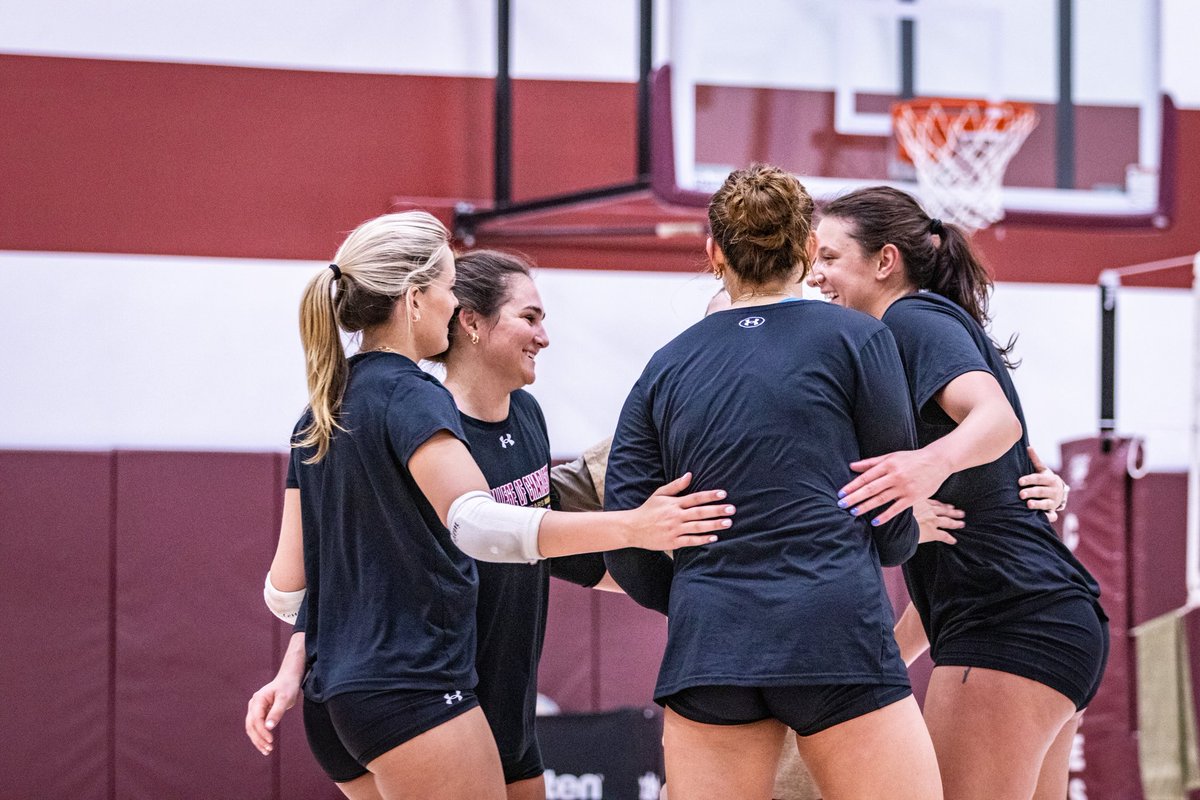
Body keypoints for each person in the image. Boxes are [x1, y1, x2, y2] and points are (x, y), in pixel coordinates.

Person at [242, 211, 736, 800]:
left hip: (354, 695)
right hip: (420, 688)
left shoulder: (327, 405)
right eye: (448, 289)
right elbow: (478, 525)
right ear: (416, 299)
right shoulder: (415, 400)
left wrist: (318, 647)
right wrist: (633, 525)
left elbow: (288, 589)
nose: (451, 307)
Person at [603, 164, 944, 800]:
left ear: (712, 255)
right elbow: (892, 500)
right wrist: (887, 543)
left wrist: (694, 596)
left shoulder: (665, 365)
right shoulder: (861, 339)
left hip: (712, 643)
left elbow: (625, 533)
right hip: (835, 628)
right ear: (810, 250)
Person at [808, 185, 1107, 800]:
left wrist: (923, 468)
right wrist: (883, 661)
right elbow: (953, 556)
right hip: (1041, 618)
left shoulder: (910, 318)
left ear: (884, 261)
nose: (817, 276)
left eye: (830, 258)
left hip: (1013, 623)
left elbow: (998, 421)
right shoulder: (898, 342)